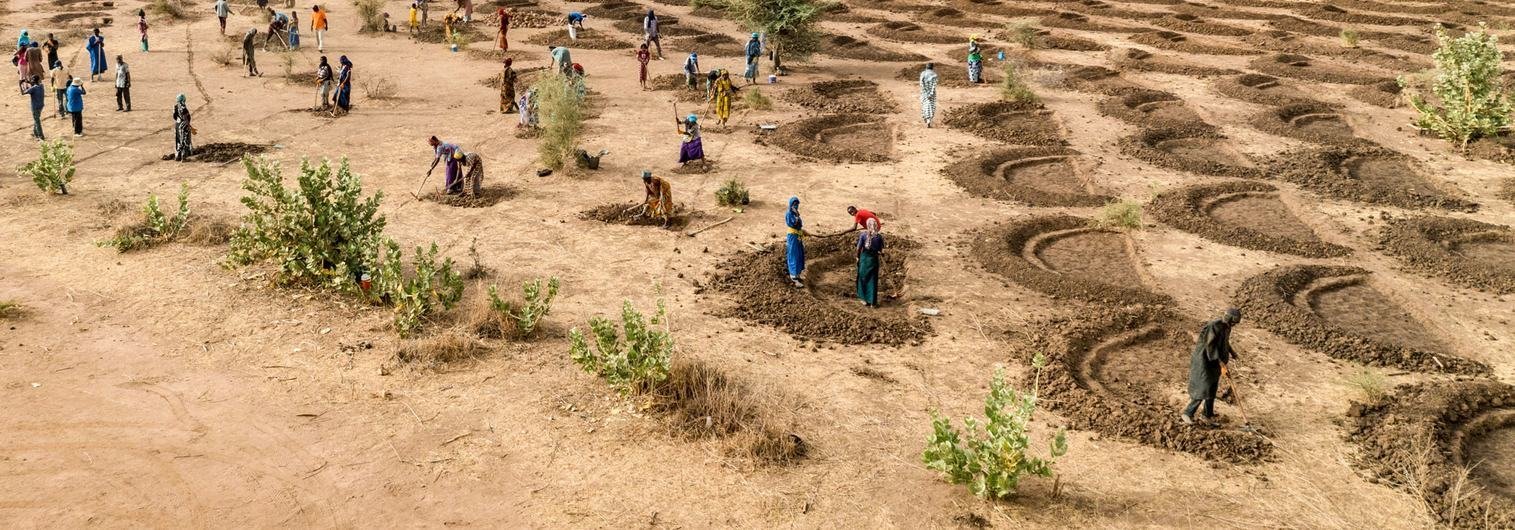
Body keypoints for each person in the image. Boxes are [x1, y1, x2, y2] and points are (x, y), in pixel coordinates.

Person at [1183, 308, 1242, 425]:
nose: (1234, 325)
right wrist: (1221, 364)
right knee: (1203, 387)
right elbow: (1211, 346)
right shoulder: (1214, 326)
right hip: (1204, 361)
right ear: (1229, 319)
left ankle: (1207, 415)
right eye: (1234, 322)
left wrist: (1232, 352)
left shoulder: (1226, 327)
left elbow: (1225, 342)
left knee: (1212, 388)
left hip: (1215, 362)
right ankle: (1187, 413)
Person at [856, 218, 884, 307]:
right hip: (874, 260)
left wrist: (857, 257)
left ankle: (864, 300)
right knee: (873, 280)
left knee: (863, 278)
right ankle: (873, 302)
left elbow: (859, 248)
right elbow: (881, 250)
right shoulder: (879, 237)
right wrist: (879, 252)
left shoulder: (863, 235)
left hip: (864, 260)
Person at [784, 197, 811, 288]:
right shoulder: (789, 214)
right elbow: (793, 224)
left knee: (799, 253)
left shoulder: (796, 214)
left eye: (797, 204)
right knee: (793, 254)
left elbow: (799, 225)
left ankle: (798, 275)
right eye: (794, 204)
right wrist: (796, 216)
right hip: (793, 236)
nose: (796, 206)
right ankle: (794, 277)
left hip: (798, 235)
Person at [22, 75, 45, 140]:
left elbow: (24, 92)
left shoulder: (33, 88)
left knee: (37, 121)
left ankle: (41, 136)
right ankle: (35, 132)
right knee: (36, 119)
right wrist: (29, 82)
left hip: (35, 106)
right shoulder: (41, 85)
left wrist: (23, 85)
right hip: (41, 105)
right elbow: (35, 84)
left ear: (33, 81)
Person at [172, 93, 193, 160]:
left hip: (177, 125)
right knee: (184, 140)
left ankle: (177, 155)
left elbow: (174, 117)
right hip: (184, 125)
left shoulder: (175, 107)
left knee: (178, 140)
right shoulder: (184, 108)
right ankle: (184, 156)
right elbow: (186, 118)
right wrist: (189, 126)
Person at [919, 62, 937, 128]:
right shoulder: (934, 75)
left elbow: (921, 84)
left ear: (926, 67)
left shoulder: (923, 74)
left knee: (924, 105)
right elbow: (934, 86)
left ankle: (926, 118)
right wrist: (931, 94)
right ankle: (929, 120)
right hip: (932, 94)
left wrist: (925, 92)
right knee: (931, 105)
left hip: (924, 93)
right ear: (932, 67)